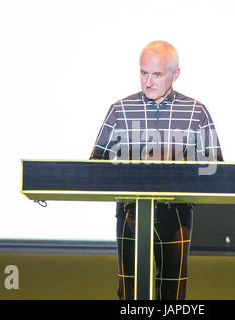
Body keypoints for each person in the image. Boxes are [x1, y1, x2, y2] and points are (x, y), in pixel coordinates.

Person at [90, 40, 224, 300]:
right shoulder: (120, 111)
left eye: (157, 74)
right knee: (130, 293)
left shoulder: (197, 112)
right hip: (131, 211)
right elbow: (96, 164)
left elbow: (216, 168)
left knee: (173, 293)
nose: (148, 81)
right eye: (143, 73)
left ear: (175, 74)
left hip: (177, 214)